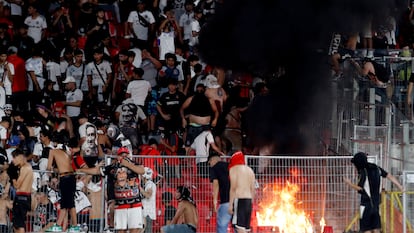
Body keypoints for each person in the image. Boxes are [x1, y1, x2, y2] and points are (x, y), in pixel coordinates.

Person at [77, 147, 145, 233]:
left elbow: (142, 171)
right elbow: (97, 171)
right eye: (121, 154)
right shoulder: (113, 167)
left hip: (135, 204)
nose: (123, 156)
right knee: (120, 231)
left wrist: (128, 165)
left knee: (135, 230)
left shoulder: (134, 164)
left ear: (128, 155)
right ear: (117, 156)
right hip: (120, 205)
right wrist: (81, 170)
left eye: (125, 154)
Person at [344, 152, 404, 233]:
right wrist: (399, 186)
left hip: (366, 205)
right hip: (376, 205)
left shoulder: (363, 171)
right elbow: (389, 176)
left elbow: (360, 188)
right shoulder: (377, 168)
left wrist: (349, 183)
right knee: (376, 229)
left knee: (366, 230)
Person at [46, 146, 79, 232]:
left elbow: (48, 168)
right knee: (67, 203)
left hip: (65, 178)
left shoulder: (52, 151)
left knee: (68, 203)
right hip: (71, 177)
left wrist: (52, 171)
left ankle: (72, 226)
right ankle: (60, 225)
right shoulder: (65, 152)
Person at [228, 151, 255, 233]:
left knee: (239, 228)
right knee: (246, 229)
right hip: (248, 200)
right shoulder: (250, 170)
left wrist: (230, 205)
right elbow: (252, 189)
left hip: (239, 200)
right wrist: (251, 203)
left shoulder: (233, 169)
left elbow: (233, 188)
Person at [10, 149, 34, 233]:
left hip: (21, 197)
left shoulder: (24, 168)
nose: (12, 160)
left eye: (14, 157)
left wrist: (12, 176)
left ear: (20, 157)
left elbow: (17, 185)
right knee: (18, 224)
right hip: (26, 197)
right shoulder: (28, 167)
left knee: (19, 225)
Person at [208, 153, 232, 233]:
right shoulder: (230, 165)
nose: (210, 165)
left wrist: (214, 202)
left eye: (209, 163)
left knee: (221, 228)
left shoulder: (214, 168)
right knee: (237, 227)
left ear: (212, 160)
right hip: (237, 200)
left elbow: (215, 184)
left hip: (226, 201)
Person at [140, 167, 157, 233]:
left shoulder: (149, 184)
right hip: (146, 213)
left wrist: (140, 189)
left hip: (147, 214)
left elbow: (148, 195)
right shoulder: (149, 184)